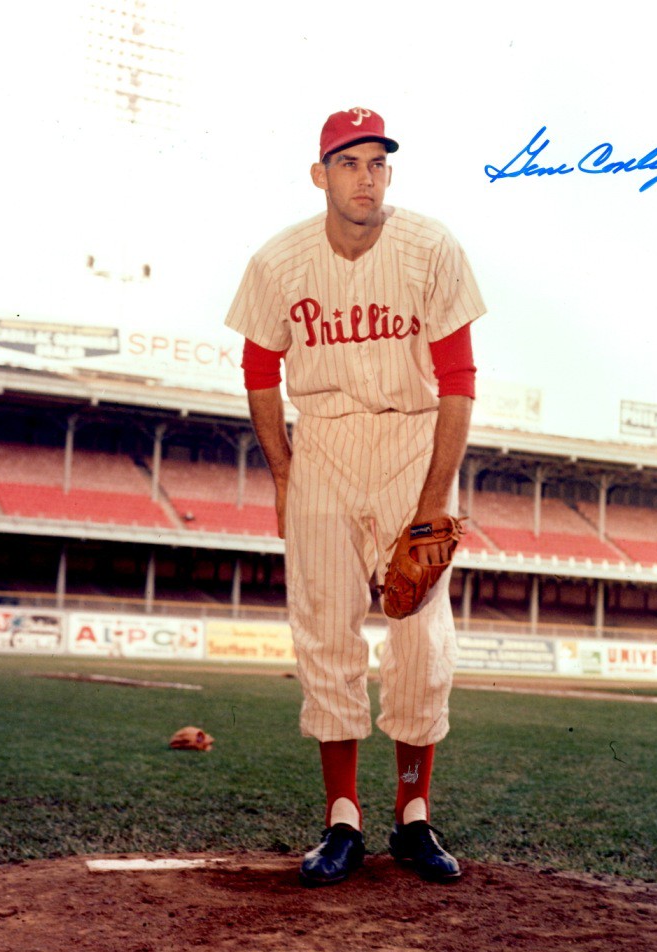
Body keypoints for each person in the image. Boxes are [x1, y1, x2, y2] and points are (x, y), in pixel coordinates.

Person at [225, 107, 485, 885]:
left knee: (421, 638)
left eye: (377, 162)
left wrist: (433, 498)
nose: (365, 178)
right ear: (321, 174)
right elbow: (260, 370)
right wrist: (283, 470)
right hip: (325, 444)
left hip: (413, 440)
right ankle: (343, 817)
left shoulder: (431, 248)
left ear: (389, 173)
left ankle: (413, 814)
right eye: (349, 162)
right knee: (324, 627)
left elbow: (459, 381)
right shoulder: (280, 260)